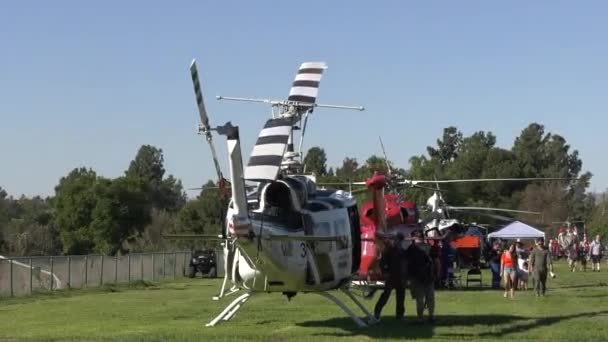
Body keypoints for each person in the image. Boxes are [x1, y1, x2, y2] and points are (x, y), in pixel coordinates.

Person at [374, 233, 408, 320]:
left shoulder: (403, 251)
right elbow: (383, 262)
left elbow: (406, 265)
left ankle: (400, 315)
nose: (398, 242)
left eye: (400, 240)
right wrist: (385, 272)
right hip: (391, 276)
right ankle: (377, 312)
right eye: (397, 240)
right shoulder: (389, 250)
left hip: (401, 277)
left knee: (401, 297)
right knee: (386, 295)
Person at [406, 231, 436, 323]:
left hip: (424, 277)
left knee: (426, 299)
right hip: (419, 277)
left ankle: (426, 317)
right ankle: (424, 317)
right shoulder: (412, 249)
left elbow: (434, 261)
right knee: (423, 299)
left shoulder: (423, 248)